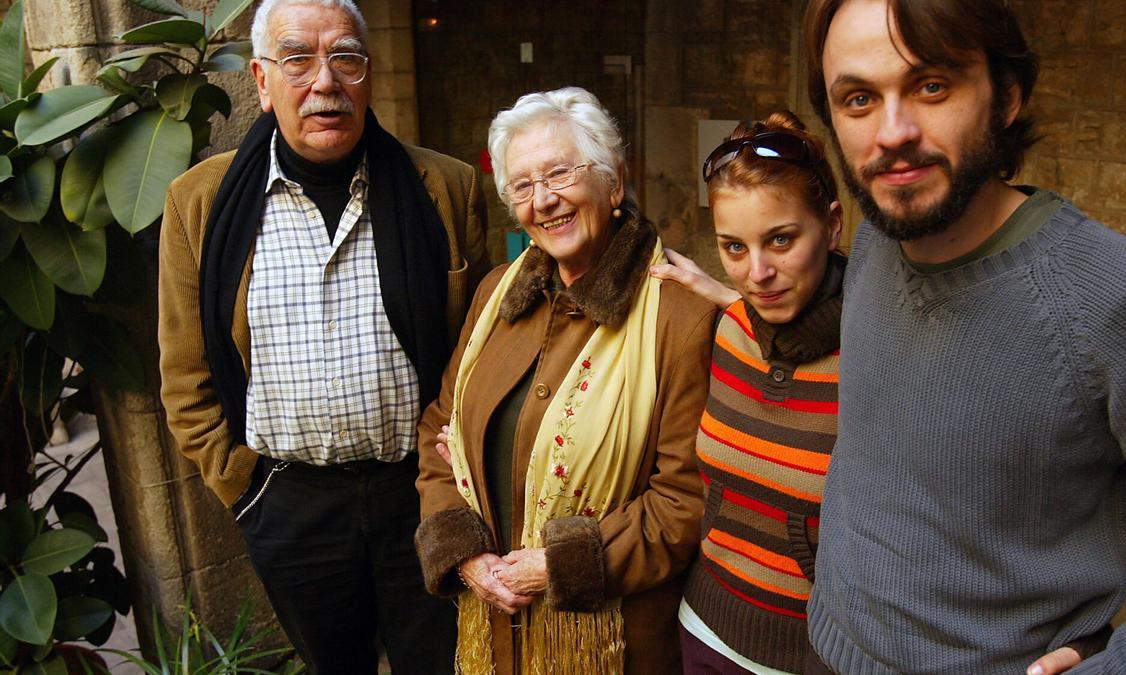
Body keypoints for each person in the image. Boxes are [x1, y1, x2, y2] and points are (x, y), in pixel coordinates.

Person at [797, 0, 1126, 673]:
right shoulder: (874, 244)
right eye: (859, 98)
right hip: (826, 652)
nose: (892, 131)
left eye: (931, 86)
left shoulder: (1119, 302)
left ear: (1006, 96)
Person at [157, 0, 489, 671]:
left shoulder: (445, 188)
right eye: (297, 59)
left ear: (368, 73)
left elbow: (482, 352)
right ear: (260, 78)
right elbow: (184, 377)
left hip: (421, 495)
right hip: (289, 505)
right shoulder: (199, 203)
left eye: (346, 57)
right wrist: (246, 491)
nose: (325, 82)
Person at [412, 86, 718, 674]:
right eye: (522, 186)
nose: (544, 200)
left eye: (559, 173)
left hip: (615, 645)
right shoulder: (495, 295)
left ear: (614, 182)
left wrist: (560, 563)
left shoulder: (680, 316)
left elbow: (687, 502)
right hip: (497, 635)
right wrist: (465, 551)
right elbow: (438, 428)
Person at [675, 112, 844, 675]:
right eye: (733, 247)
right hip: (704, 633)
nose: (758, 273)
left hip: (816, 656)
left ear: (833, 225)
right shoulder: (732, 331)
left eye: (781, 240)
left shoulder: (878, 357)